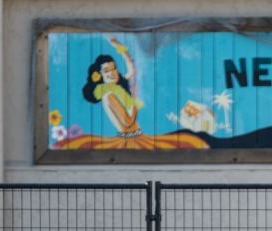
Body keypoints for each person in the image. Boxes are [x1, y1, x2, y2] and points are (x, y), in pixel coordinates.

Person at [62, 37, 207, 151]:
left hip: (138, 135)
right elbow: (128, 121)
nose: (112, 73)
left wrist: (119, 47)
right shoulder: (107, 94)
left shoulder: (120, 86)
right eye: (107, 71)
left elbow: (131, 68)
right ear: (99, 76)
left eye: (114, 69)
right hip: (128, 136)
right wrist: (135, 104)